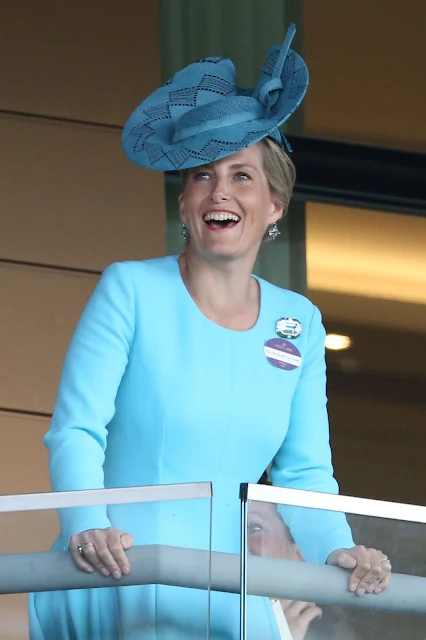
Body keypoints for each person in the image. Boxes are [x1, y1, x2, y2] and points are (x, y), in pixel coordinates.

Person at [28, 24, 391, 640]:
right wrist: (88, 524)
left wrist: (339, 550)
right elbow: (76, 429)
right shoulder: (131, 289)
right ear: (184, 203)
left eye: (241, 175)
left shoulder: (298, 323)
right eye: (202, 175)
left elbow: (304, 475)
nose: (219, 190)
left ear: (275, 204)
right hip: (113, 573)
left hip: (224, 594)